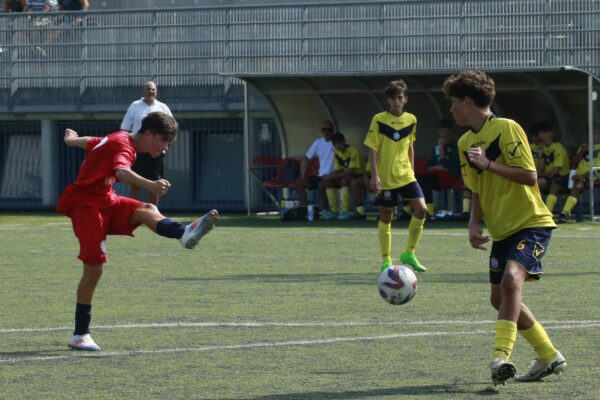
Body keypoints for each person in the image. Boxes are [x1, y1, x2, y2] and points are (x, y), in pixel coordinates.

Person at [57, 112, 219, 351]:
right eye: (163, 141)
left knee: (146, 208)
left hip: (106, 200)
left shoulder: (120, 137)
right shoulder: (124, 145)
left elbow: (94, 141)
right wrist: (151, 184)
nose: (164, 148)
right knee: (94, 268)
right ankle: (80, 334)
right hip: (86, 206)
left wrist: (72, 140)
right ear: (148, 133)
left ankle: (183, 233)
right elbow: (121, 172)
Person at [443, 70, 566, 386]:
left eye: (453, 102)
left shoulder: (507, 128)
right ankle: (548, 354)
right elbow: (477, 187)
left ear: (468, 101)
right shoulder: (465, 142)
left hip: (531, 223)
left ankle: (501, 357)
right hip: (501, 229)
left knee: (512, 281)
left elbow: (529, 175)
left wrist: (488, 163)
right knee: (499, 300)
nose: (451, 109)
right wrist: (473, 223)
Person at [364, 79, 427, 273]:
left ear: (405, 99)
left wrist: (412, 171)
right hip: (386, 177)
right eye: (392, 98)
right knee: (386, 216)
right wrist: (375, 177)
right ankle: (386, 259)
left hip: (406, 175)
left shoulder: (412, 120)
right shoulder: (379, 119)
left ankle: (409, 252)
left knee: (422, 209)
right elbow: (373, 149)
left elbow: (410, 146)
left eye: (399, 97)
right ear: (388, 101)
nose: (396, 102)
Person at [121, 81, 173, 206]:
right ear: (143, 91)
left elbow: (171, 128)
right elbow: (125, 128)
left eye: (153, 90)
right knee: (135, 184)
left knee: (155, 185)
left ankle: (153, 214)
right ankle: (130, 211)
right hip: (138, 152)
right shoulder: (135, 106)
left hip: (156, 153)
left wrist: (165, 147)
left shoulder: (162, 107)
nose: (151, 92)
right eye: (148, 89)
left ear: (156, 91)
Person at [415, 118, 462, 220]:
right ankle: (409, 209)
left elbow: (447, 165)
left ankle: (430, 211)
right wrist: (433, 167)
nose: (444, 134)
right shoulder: (436, 146)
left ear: (451, 132)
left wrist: (441, 147)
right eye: (441, 131)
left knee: (426, 180)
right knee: (414, 178)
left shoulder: (455, 146)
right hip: (435, 174)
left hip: (450, 175)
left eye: (446, 131)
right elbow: (429, 163)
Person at [556, 128, 600, 223]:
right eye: (590, 134)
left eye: (595, 133)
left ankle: (564, 214)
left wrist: (581, 177)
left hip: (592, 178)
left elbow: (597, 170)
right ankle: (547, 214)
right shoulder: (583, 146)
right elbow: (574, 163)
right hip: (575, 175)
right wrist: (582, 152)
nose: (593, 136)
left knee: (577, 187)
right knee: (554, 185)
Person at [321, 132, 366, 220]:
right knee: (327, 181)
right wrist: (329, 176)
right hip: (346, 176)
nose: (338, 146)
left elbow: (351, 171)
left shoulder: (353, 150)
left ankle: (349, 211)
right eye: (335, 144)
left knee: (346, 181)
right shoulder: (336, 152)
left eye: (339, 143)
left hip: (358, 174)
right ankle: (333, 211)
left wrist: (332, 176)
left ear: (344, 142)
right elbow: (338, 170)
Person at [294, 120, 335, 213]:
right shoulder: (318, 143)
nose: (326, 132)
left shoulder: (336, 143)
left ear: (333, 130)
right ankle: (303, 209)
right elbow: (307, 157)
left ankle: (327, 210)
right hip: (320, 176)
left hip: (333, 176)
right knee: (299, 183)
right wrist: (303, 172)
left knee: (322, 184)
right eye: (324, 129)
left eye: (329, 130)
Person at [536, 122, 570, 214]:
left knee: (538, 183)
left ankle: (547, 213)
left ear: (552, 133)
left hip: (562, 178)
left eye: (546, 132)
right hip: (549, 178)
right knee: (533, 184)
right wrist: (540, 154)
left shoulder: (558, 147)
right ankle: (538, 210)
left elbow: (556, 171)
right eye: (541, 132)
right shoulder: (542, 147)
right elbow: (540, 170)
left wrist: (540, 175)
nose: (543, 135)